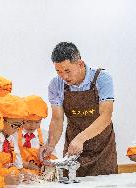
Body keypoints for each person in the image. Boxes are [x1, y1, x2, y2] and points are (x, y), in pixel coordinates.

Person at [40, 42, 117, 177]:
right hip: (73, 150)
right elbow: (57, 119)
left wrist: (81, 138)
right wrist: (51, 144)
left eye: (67, 71)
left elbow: (105, 116)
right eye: (59, 71)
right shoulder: (55, 85)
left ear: (80, 64)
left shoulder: (102, 79)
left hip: (103, 148)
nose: (64, 77)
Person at [17, 95, 57, 174]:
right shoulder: (14, 134)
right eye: (28, 121)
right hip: (21, 176)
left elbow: (53, 156)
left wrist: (47, 163)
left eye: (37, 122)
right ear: (21, 118)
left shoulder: (46, 135)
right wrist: (27, 165)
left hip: (39, 177)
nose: (32, 125)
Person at [0, 94, 29, 176]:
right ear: (2, 120)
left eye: (21, 125)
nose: (18, 128)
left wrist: (27, 175)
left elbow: (19, 167)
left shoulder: (11, 140)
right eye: (15, 125)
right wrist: (5, 178)